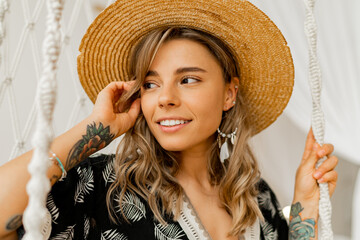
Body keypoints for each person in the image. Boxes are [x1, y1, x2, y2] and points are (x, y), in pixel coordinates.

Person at [0, 0, 338, 239]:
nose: (165, 98)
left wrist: (305, 202)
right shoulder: (103, 185)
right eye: (150, 84)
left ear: (229, 94)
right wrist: (94, 129)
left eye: (188, 79)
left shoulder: (255, 197)